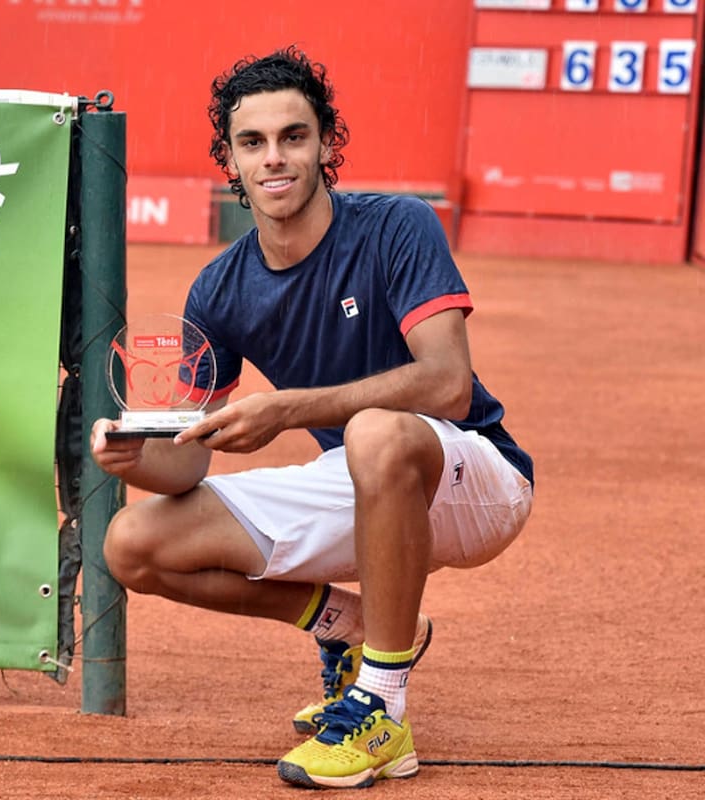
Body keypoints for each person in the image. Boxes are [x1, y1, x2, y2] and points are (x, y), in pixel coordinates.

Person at [90, 45, 534, 790]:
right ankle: (349, 627)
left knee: (376, 430)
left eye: (294, 137)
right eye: (252, 142)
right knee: (135, 542)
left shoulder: (398, 226)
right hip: (363, 480)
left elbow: (449, 385)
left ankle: (384, 712)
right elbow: (189, 462)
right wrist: (138, 455)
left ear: (326, 144)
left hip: (474, 477)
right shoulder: (220, 288)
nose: (274, 159)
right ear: (229, 160)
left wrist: (291, 408)